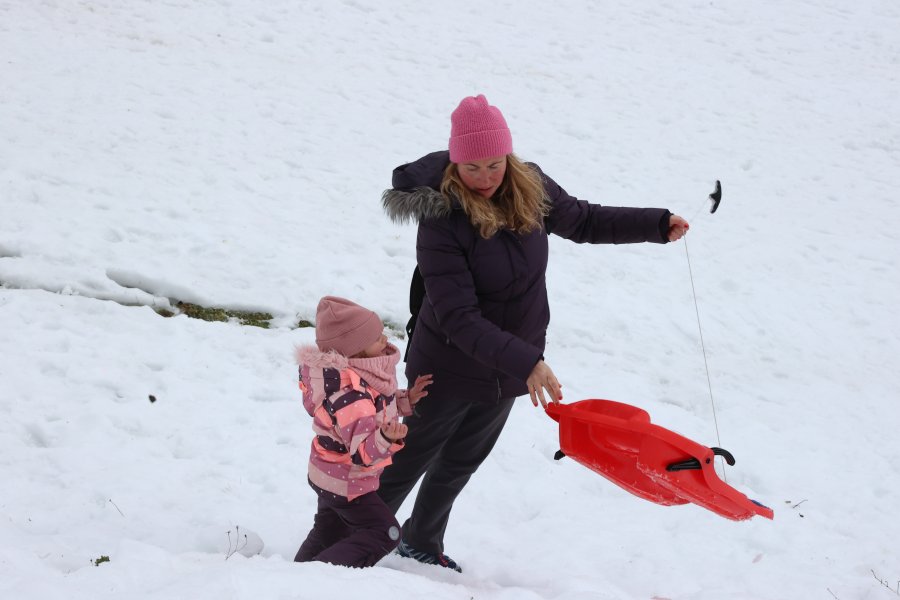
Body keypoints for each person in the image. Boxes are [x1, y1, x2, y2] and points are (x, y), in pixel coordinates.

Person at [378, 94, 690, 572]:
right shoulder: (441, 219)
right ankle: (353, 538)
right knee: (406, 461)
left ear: (509, 156)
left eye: (495, 165)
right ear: (454, 163)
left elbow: (584, 220)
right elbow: (458, 317)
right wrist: (527, 362)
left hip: (506, 371)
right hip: (447, 366)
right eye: (472, 168)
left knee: (461, 462)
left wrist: (653, 223)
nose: (485, 178)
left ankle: (420, 542)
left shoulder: (530, 188)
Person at [294, 295, 432, 568]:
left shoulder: (357, 379)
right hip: (346, 480)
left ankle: (292, 575)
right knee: (386, 533)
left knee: (327, 532)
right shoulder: (351, 394)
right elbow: (363, 453)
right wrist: (386, 438)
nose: (384, 339)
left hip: (329, 474)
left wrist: (406, 400)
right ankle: (316, 581)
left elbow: (376, 407)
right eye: (376, 336)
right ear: (355, 349)